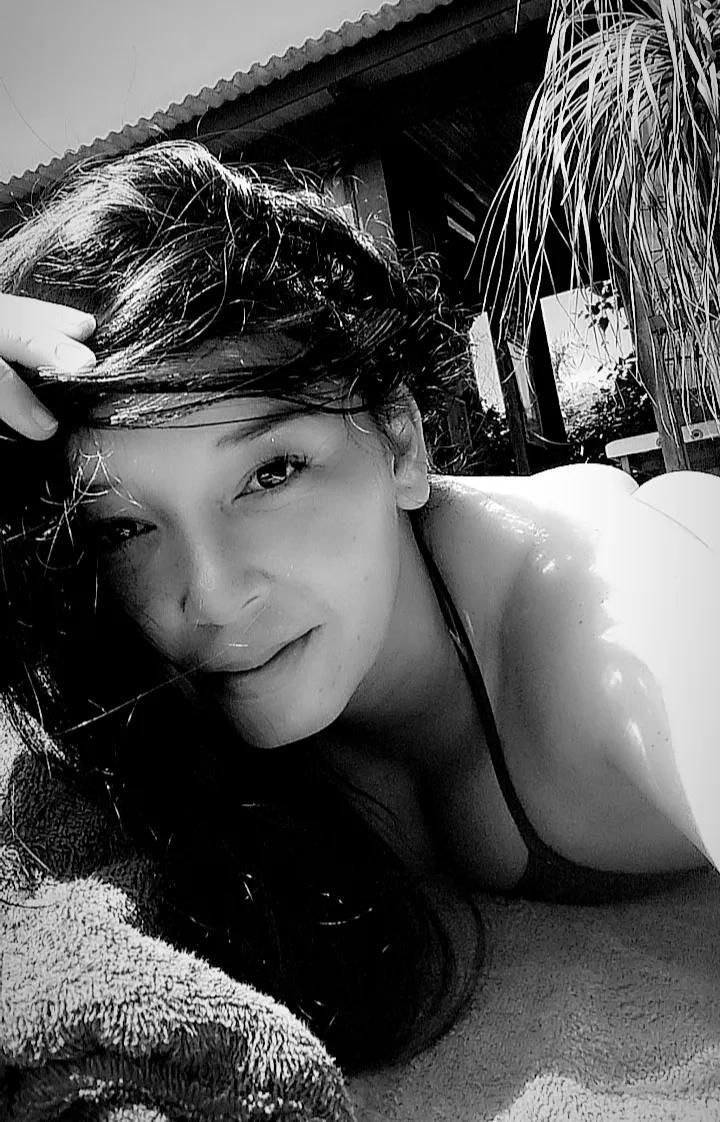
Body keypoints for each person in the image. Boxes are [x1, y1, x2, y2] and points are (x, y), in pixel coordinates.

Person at [0, 140, 718, 1071]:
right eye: (121, 528)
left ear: (403, 441)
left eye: (272, 472)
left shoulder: (619, 611)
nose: (212, 594)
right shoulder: (129, 671)